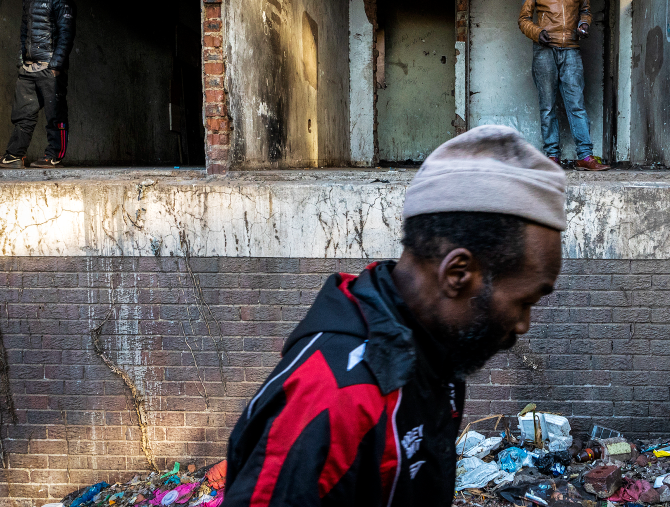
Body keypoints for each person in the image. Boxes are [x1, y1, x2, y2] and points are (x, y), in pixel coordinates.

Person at [221, 125, 566, 506]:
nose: (523, 324)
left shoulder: (434, 353)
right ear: (458, 274)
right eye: (524, 301)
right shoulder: (335, 399)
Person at [519, 0, 610, 172]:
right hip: (544, 50)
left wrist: (584, 24)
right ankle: (551, 157)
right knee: (547, 105)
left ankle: (585, 156)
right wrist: (538, 33)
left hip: (571, 49)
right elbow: (523, 19)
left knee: (576, 103)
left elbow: (586, 10)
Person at [0, 0, 75, 169]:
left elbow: (66, 34)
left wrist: (56, 66)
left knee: (56, 116)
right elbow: (24, 32)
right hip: (28, 68)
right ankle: (14, 156)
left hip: (49, 68)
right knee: (23, 115)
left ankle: (54, 156)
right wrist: (20, 61)